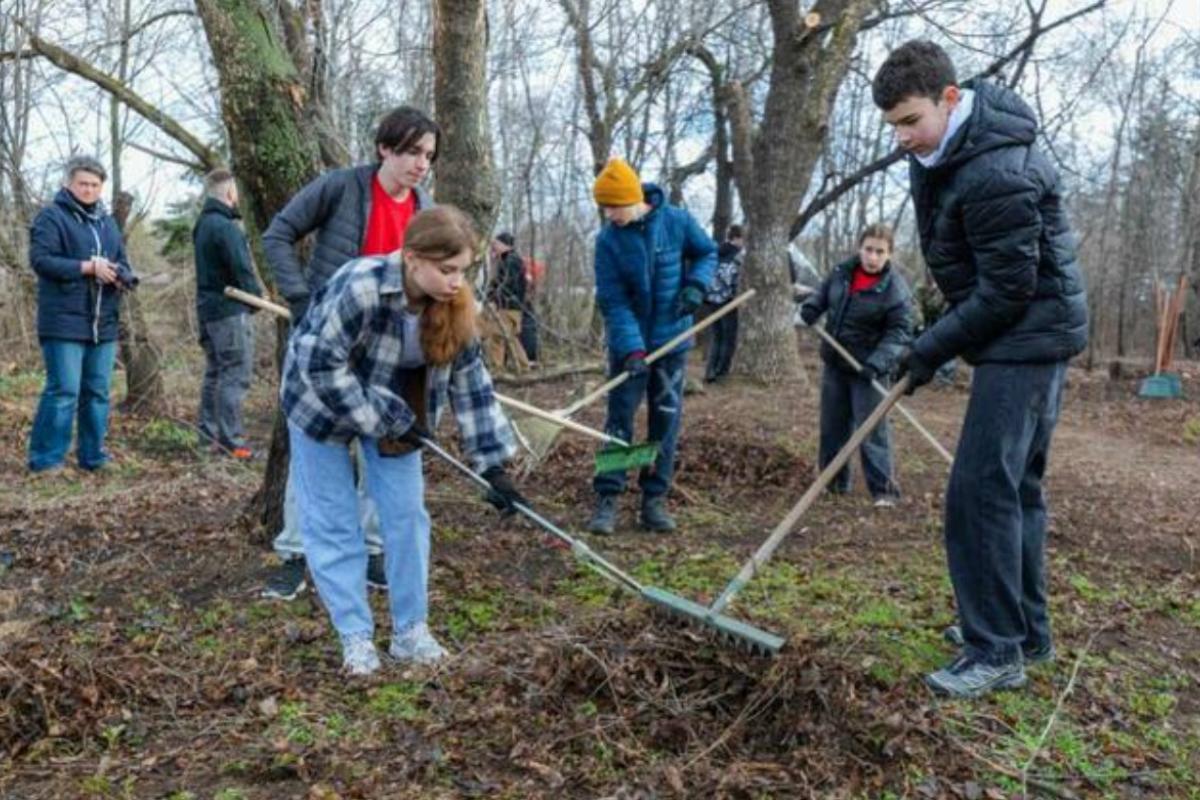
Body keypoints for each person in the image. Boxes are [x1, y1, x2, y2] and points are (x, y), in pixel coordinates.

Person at [873, 40, 1088, 697]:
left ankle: (994, 649)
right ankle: (1023, 631)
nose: (904, 138)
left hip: (1026, 336)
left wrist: (929, 346)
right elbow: (965, 266)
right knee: (1014, 487)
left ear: (950, 98)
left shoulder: (997, 169)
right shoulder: (945, 153)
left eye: (911, 121)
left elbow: (1006, 291)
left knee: (980, 492)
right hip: (1020, 335)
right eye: (894, 127)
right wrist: (935, 334)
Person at [281, 205, 524, 675]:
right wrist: (379, 418)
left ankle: (411, 631)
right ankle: (355, 636)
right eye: (446, 270)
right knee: (333, 520)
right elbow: (319, 364)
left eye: (464, 270)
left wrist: (493, 465)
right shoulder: (360, 285)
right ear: (412, 258)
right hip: (319, 404)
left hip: (398, 410)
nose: (456, 282)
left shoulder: (457, 306)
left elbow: (472, 385)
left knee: (407, 516)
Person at [261, 106, 439, 600]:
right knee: (314, 449)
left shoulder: (425, 208)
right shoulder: (341, 187)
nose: (420, 163)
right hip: (329, 343)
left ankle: (374, 551)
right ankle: (296, 555)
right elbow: (277, 233)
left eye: (427, 154)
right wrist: (300, 297)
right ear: (384, 148)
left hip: (390, 350)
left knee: (386, 441)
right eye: (410, 151)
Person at [586, 157, 717, 535]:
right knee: (619, 422)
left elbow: (707, 252)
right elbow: (613, 300)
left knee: (665, 421)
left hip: (672, 341)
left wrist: (696, 287)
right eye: (604, 208)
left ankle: (653, 499)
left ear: (634, 198)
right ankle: (608, 497)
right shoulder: (608, 241)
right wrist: (631, 349)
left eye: (615, 206)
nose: (610, 214)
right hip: (630, 350)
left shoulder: (676, 222)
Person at [27, 155, 137, 473]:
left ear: (102, 187)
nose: (88, 190)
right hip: (63, 320)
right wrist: (87, 267)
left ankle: (93, 456)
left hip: (103, 321)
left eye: (94, 185)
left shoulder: (108, 223)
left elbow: (121, 260)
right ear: (68, 184)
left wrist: (123, 275)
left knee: (98, 392)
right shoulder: (51, 217)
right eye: (83, 184)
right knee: (63, 390)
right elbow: (41, 261)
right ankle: (46, 460)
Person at [799, 224, 911, 507]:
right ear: (859, 248)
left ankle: (884, 491)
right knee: (832, 426)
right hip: (836, 363)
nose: (872, 257)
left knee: (871, 430)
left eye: (880, 252)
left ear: (889, 254)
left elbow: (899, 333)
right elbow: (823, 295)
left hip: (869, 369)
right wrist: (812, 307)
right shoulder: (842, 273)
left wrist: (877, 362)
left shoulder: (895, 289)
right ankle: (833, 483)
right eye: (868, 249)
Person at [193, 168, 262, 460]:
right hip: (228, 310)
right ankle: (232, 444)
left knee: (216, 372)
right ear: (231, 193)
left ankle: (209, 438)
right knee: (234, 374)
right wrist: (255, 299)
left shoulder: (202, 224)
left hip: (207, 311)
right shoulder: (225, 227)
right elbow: (241, 268)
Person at [703, 224, 745, 383]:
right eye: (743, 239)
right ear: (737, 238)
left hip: (712, 300)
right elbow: (732, 279)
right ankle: (721, 373)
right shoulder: (736, 256)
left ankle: (709, 372)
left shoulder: (716, 253)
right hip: (727, 300)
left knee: (717, 336)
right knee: (728, 338)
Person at [483, 232, 529, 371]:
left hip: (508, 306)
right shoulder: (505, 260)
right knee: (510, 337)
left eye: (496, 244)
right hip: (509, 305)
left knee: (498, 337)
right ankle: (522, 366)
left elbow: (508, 285)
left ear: (505, 245)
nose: (493, 247)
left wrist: (495, 299)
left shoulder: (512, 261)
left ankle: (497, 369)